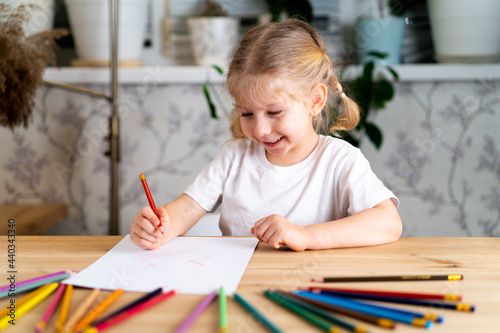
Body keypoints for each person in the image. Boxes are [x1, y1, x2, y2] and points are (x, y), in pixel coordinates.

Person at [131, 19, 402, 251]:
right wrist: (161, 226)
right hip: (241, 285)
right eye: (247, 114)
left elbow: (389, 224)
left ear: (315, 101)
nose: (259, 130)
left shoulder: (340, 160)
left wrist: (307, 236)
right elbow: (187, 209)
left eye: (274, 112)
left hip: (312, 289)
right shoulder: (234, 158)